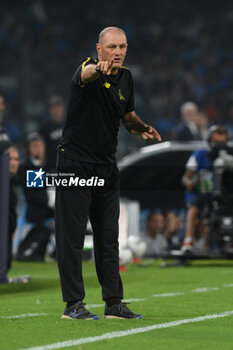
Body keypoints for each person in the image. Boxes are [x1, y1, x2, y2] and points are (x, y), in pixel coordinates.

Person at [55, 26, 161, 320]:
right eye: (112, 47)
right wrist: (95, 70)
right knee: (72, 238)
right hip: (74, 163)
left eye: (122, 47)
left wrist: (142, 127)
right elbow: (85, 76)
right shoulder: (88, 70)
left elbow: (127, 115)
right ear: (99, 49)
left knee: (108, 239)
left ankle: (114, 303)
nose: (118, 52)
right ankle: (73, 304)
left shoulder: (126, 77)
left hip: (106, 165)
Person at [181, 125, 228, 252]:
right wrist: (191, 182)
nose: (219, 146)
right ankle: (188, 241)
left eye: (222, 143)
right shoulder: (199, 155)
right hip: (200, 192)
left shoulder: (228, 156)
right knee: (194, 205)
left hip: (220, 193)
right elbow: (186, 177)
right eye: (216, 142)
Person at [17, 133, 54, 261]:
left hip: (44, 209)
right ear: (27, 149)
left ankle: (55, 252)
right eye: (35, 146)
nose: (38, 149)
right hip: (34, 212)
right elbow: (36, 196)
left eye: (40, 146)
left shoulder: (44, 166)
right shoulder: (27, 167)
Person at [40, 96, 65, 168]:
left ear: (62, 109)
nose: (57, 110)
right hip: (51, 165)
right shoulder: (45, 128)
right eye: (54, 108)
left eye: (59, 107)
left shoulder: (69, 125)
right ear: (50, 110)